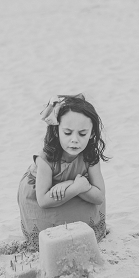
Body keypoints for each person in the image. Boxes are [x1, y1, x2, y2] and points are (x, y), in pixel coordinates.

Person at [17, 94, 108, 250]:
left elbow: (99, 196)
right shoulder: (45, 159)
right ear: (57, 130)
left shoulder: (89, 155)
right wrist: (75, 187)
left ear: (92, 134)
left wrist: (71, 184)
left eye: (82, 134)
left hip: (74, 186)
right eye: (67, 133)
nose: (74, 140)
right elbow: (44, 201)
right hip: (43, 193)